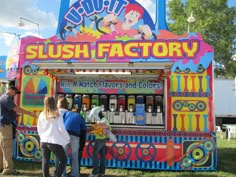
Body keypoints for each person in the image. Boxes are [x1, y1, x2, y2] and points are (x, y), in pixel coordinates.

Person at [0, 86, 36, 175]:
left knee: (3, 147)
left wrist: (15, 115)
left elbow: (10, 111)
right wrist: (30, 113)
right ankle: (8, 169)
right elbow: (16, 108)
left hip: (3, 125)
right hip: (6, 126)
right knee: (7, 147)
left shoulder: (4, 97)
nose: (15, 94)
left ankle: (2, 166)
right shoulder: (7, 98)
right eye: (15, 92)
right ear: (11, 90)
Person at [37, 96, 70, 177]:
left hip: (44, 140)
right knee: (63, 160)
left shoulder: (42, 114)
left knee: (45, 160)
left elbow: (39, 128)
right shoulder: (57, 114)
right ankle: (58, 175)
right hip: (54, 141)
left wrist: (42, 137)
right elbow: (61, 128)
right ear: (54, 103)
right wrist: (67, 138)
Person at [63, 107, 87, 177]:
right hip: (75, 136)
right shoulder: (80, 117)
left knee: (63, 156)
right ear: (79, 112)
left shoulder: (66, 113)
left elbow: (62, 123)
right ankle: (75, 174)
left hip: (65, 135)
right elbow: (84, 130)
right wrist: (82, 144)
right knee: (75, 156)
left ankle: (63, 174)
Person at [89, 111, 111, 177]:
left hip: (99, 139)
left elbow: (105, 128)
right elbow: (102, 130)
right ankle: (102, 172)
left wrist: (93, 131)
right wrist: (93, 132)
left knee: (94, 155)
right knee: (102, 156)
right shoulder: (104, 120)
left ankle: (95, 173)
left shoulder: (102, 121)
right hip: (103, 139)